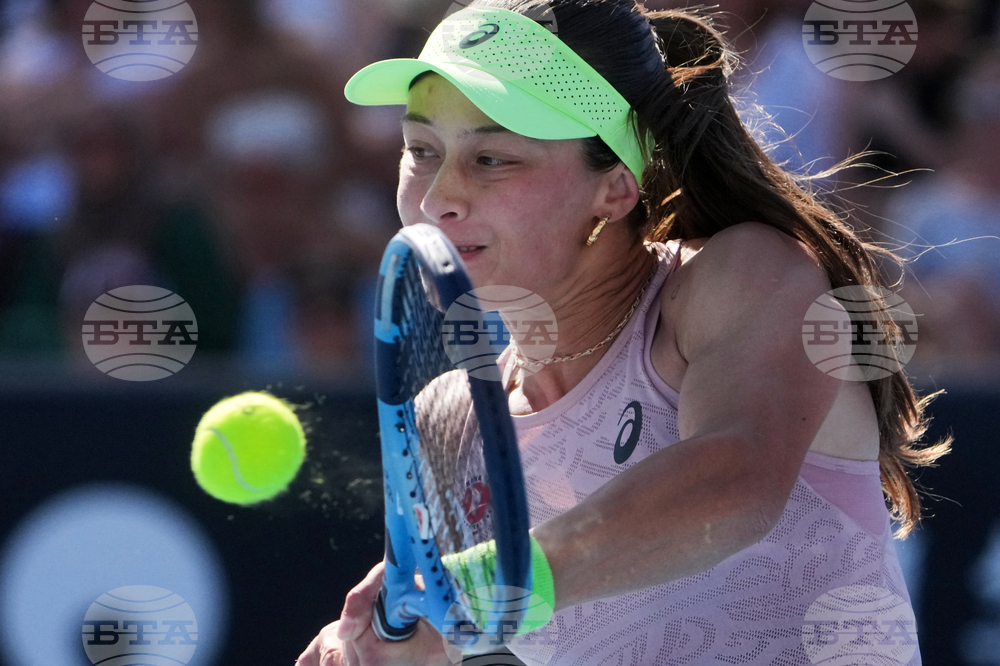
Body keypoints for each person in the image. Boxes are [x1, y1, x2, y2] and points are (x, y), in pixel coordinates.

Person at [297, 1, 952, 664]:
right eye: (421, 151)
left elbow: (733, 485)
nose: (440, 195)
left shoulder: (745, 275)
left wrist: (487, 580)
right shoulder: (450, 420)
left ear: (614, 187)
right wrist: (399, 648)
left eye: (492, 157)